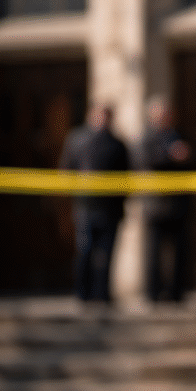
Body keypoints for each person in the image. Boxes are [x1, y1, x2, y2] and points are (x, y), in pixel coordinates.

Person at [60, 104, 130, 303]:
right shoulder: (77, 140)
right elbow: (66, 169)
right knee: (85, 252)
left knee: (107, 255)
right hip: (85, 207)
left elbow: (127, 175)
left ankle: (103, 294)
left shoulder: (117, 144)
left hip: (110, 209)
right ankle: (83, 293)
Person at [139, 96, 194, 304]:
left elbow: (193, 162)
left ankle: (176, 293)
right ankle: (153, 293)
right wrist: (170, 156)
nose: (164, 117)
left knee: (179, 252)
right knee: (154, 253)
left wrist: (185, 156)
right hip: (155, 206)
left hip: (179, 204)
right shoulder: (147, 138)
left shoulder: (179, 136)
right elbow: (144, 162)